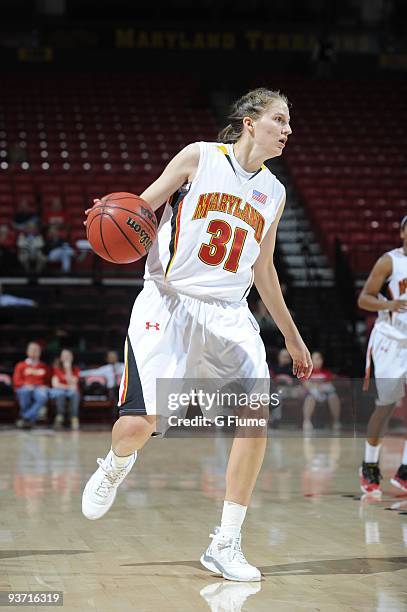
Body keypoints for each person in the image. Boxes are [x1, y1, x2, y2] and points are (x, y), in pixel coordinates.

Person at [81, 87, 313, 581]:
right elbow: (139, 210)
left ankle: (226, 543)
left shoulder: (274, 191)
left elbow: (264, 269)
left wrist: (292, 336)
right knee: (138, 426)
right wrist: (110, 218)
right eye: (280, 119)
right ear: (251, 121)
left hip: (230, 311)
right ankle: (116, 463)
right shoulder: (199, 157)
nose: (288, 129)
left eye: (289, 122)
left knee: (255, 419)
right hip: (168, 301)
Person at [358, 216, 407, 495]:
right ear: (402, 232)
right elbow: (364, 298)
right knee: (386, 406)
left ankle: (405, 471)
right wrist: (390, 303)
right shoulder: (390, 261)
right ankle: (369, 464)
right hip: (390, 341)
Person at [12, 342, 49, 429]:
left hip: (39, 388)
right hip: (24, 387)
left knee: (43, 396)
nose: (34, 352)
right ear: (27, 352)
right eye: (32, 350)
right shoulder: (20, 365)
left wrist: (45, 386)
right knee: (26, 391)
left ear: (40, 352)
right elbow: (16, 381)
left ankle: (25, 417)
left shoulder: (44, 366)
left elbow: (47, 381)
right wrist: (26, 385)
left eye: (36, 350)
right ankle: (29, 421)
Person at [302, 351, 341, 432]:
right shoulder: (306, 372)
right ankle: (307, 421)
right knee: (310, 398)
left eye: (319, 359)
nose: (317, 361)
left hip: (325, 395)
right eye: (315, 359)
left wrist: (321, 387)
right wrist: (316, 386)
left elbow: (330, 386)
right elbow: (305, 384)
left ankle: (336, 421)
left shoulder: (327, 373)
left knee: (333, 397)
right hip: (312, 394)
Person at [50, 349, 81, 430]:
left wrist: (68, 369)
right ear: (61, 358)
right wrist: (68, 387)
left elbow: (74, 383)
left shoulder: (75, 369)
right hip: (60, 390)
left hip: (71, 391)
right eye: (64, 356)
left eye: (68, 355)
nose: (66, 357)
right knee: (60, 393)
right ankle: (60, 417)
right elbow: (55, 384)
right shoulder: (56, 368)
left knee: (74, 393)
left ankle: (74, 418)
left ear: (72, 357)